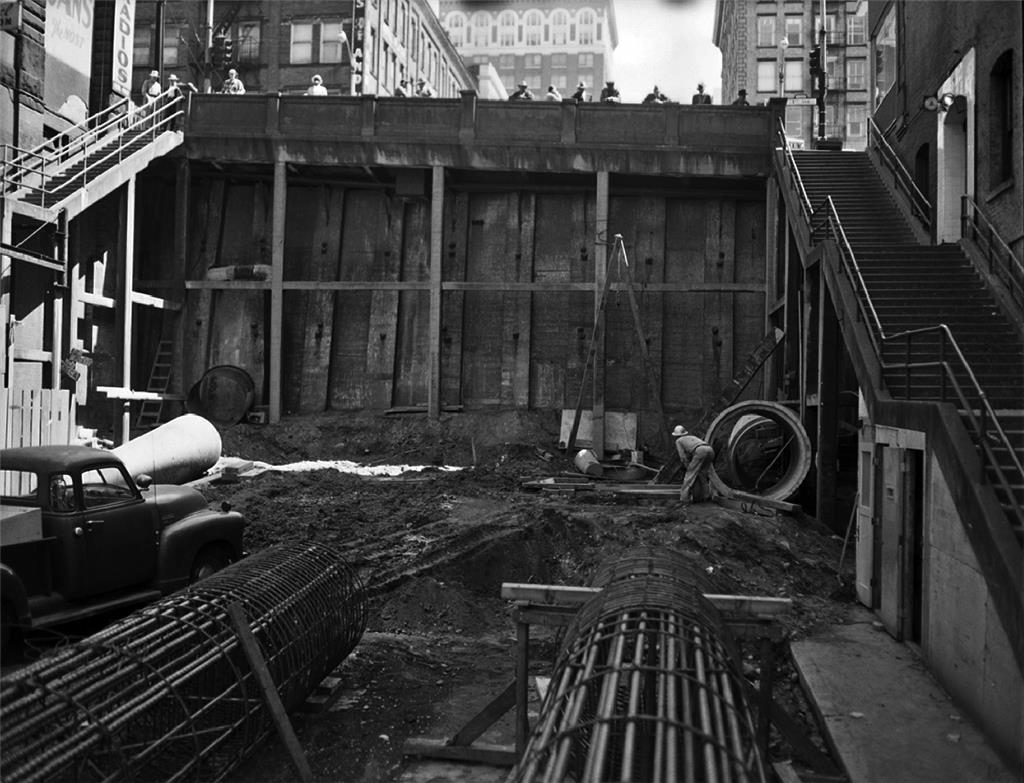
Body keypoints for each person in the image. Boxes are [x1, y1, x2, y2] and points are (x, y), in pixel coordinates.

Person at [673, 424, 716, 503]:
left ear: (676, 435)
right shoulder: (692, 437)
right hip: (710, 450)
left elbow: (682, 456)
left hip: (700, 451)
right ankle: (706, 496)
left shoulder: (678, 441)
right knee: (703, 474)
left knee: (689, 475)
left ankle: (684, 499)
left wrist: (687, 466)